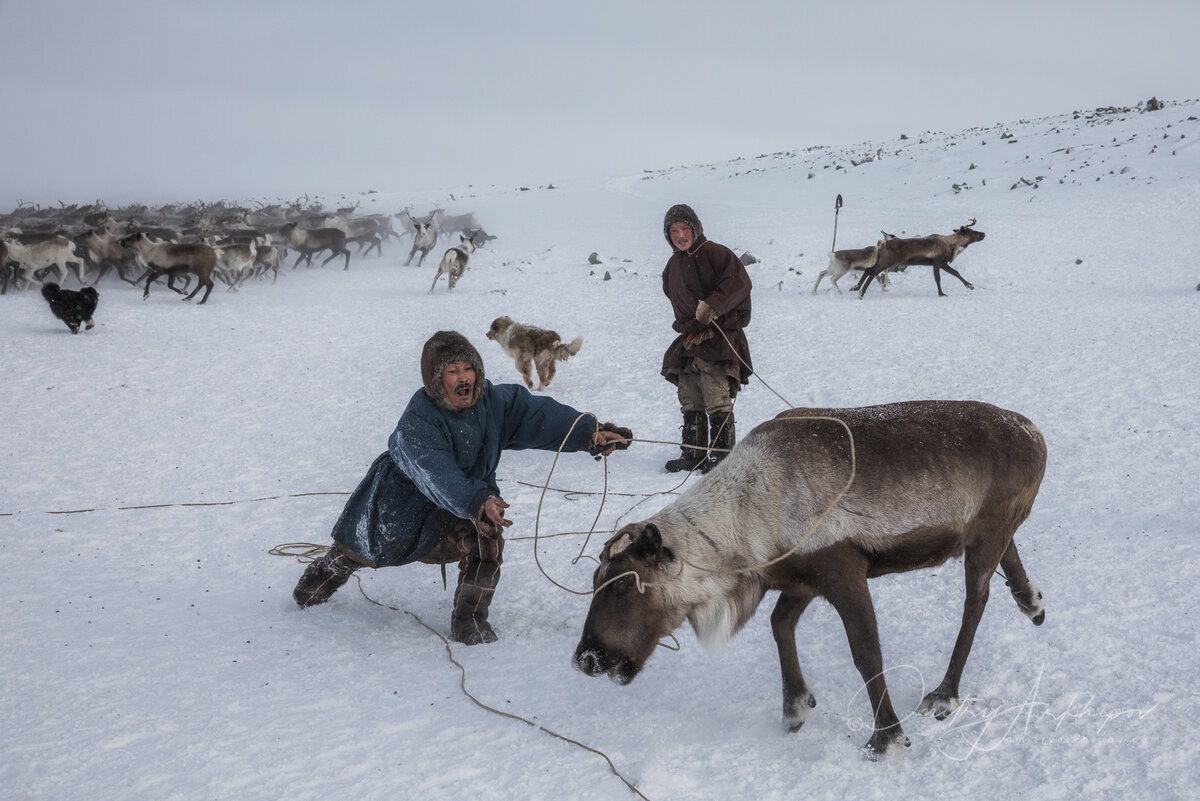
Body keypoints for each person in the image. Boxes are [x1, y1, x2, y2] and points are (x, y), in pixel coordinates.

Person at [292, 330, 632, 645]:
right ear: (435, 379)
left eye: (469, 368)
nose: (464, 377)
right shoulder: (417, 422)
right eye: (453, 371)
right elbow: (437, 474)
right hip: (401, 513)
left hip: (467, 504)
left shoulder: (495, 404)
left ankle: (469, 620)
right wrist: (476, 498)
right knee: (354, 553)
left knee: (486, 539)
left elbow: (537, 417)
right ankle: (317, 582)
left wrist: (590, 433)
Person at [660, 204, 752, 474]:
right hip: (690, 339)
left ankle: (723, 457)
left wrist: (712, 306)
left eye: (684, 229)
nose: (680, 235)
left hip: (719, 336)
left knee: (716, 398)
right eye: (673, 231)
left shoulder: (717, 253)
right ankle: (694, 454)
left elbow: (739, 284)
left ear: (695, 228)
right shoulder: (672, 265)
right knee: (690, 396)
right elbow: (672, 294)